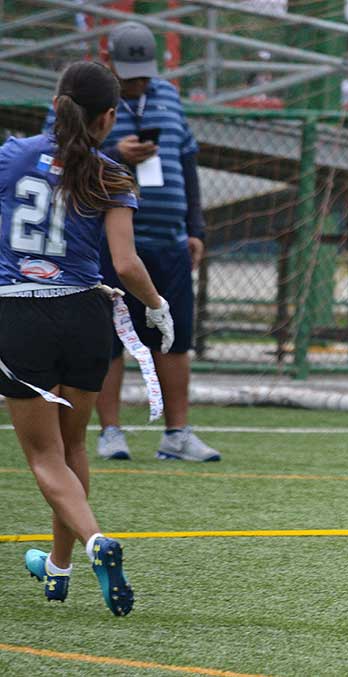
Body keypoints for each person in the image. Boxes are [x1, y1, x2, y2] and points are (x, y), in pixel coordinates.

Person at [2, 61, 175, 615]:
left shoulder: (9, 156)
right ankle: (59, 567)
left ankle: (96, 541)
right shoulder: (111, 174)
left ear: (56, 103)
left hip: (20, 315)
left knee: (45, 457)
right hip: (83, 316)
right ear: (107, 118)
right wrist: (157, 306)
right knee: (75, 447)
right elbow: (125, 264)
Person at [43, 21, 218, 462]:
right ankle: (110, 432)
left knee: (175, 335)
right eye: (129, 74)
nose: (137, 83)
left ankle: (177, 434)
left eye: (143, 74)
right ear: (109, 63)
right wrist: (117, 154)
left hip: (168, 238)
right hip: (104, 239)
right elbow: (57, 155)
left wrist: (195, 226)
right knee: (109, 337)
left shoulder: (169, 97)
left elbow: (188, 160)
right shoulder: (83, 98)